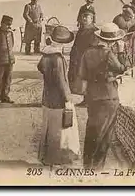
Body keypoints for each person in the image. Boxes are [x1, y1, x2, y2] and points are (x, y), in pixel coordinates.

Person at [78, 23, 127, 170]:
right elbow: (122, 69)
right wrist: (122, 52)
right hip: (109, 97)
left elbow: (83, 75)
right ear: (111, 41)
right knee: (105, 134)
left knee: (92, 130)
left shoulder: (87, 53)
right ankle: (97, 167)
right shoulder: (109, 54)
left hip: (93, 96)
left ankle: (87, 164)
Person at [37, 25, 80, 166]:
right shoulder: (58, 59)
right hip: (58, 99)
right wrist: (68, 98)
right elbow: (61, 81)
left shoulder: (46, 55)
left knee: (48, 128)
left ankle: (45, 156)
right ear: (63, 43)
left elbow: (40, 67)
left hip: (47, 97)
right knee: (59, 130)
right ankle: (56, 158)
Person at [69, 9, 99, 107]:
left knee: (89, 80)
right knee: (83, 80)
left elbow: (94, 46)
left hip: (89, 59)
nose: (85, 19)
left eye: (87, 17)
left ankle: (90, 100)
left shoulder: (94, 31)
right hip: (79, 58)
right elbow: (75, 44)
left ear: (92, 19)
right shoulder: (81, 30)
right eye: (84, 17)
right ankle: (86, 100)